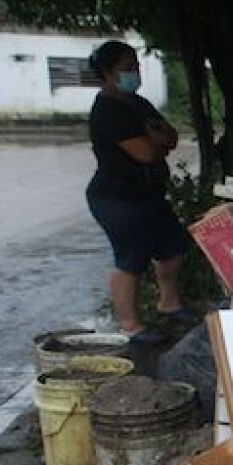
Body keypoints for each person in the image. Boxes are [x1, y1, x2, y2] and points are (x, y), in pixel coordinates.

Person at [85, 40, 195, 345]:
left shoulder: (139, 104)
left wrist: (157, 139)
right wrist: (154, 139)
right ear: (106, 73)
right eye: (126, 69)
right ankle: (130, 325)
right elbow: (146, 153)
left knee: (173, 247)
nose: (134, 73)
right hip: (117, 197)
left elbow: (171, 138)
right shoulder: (107, 111)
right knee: (131, 259)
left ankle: (169, 303)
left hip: (150, 194)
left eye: (135, 66)